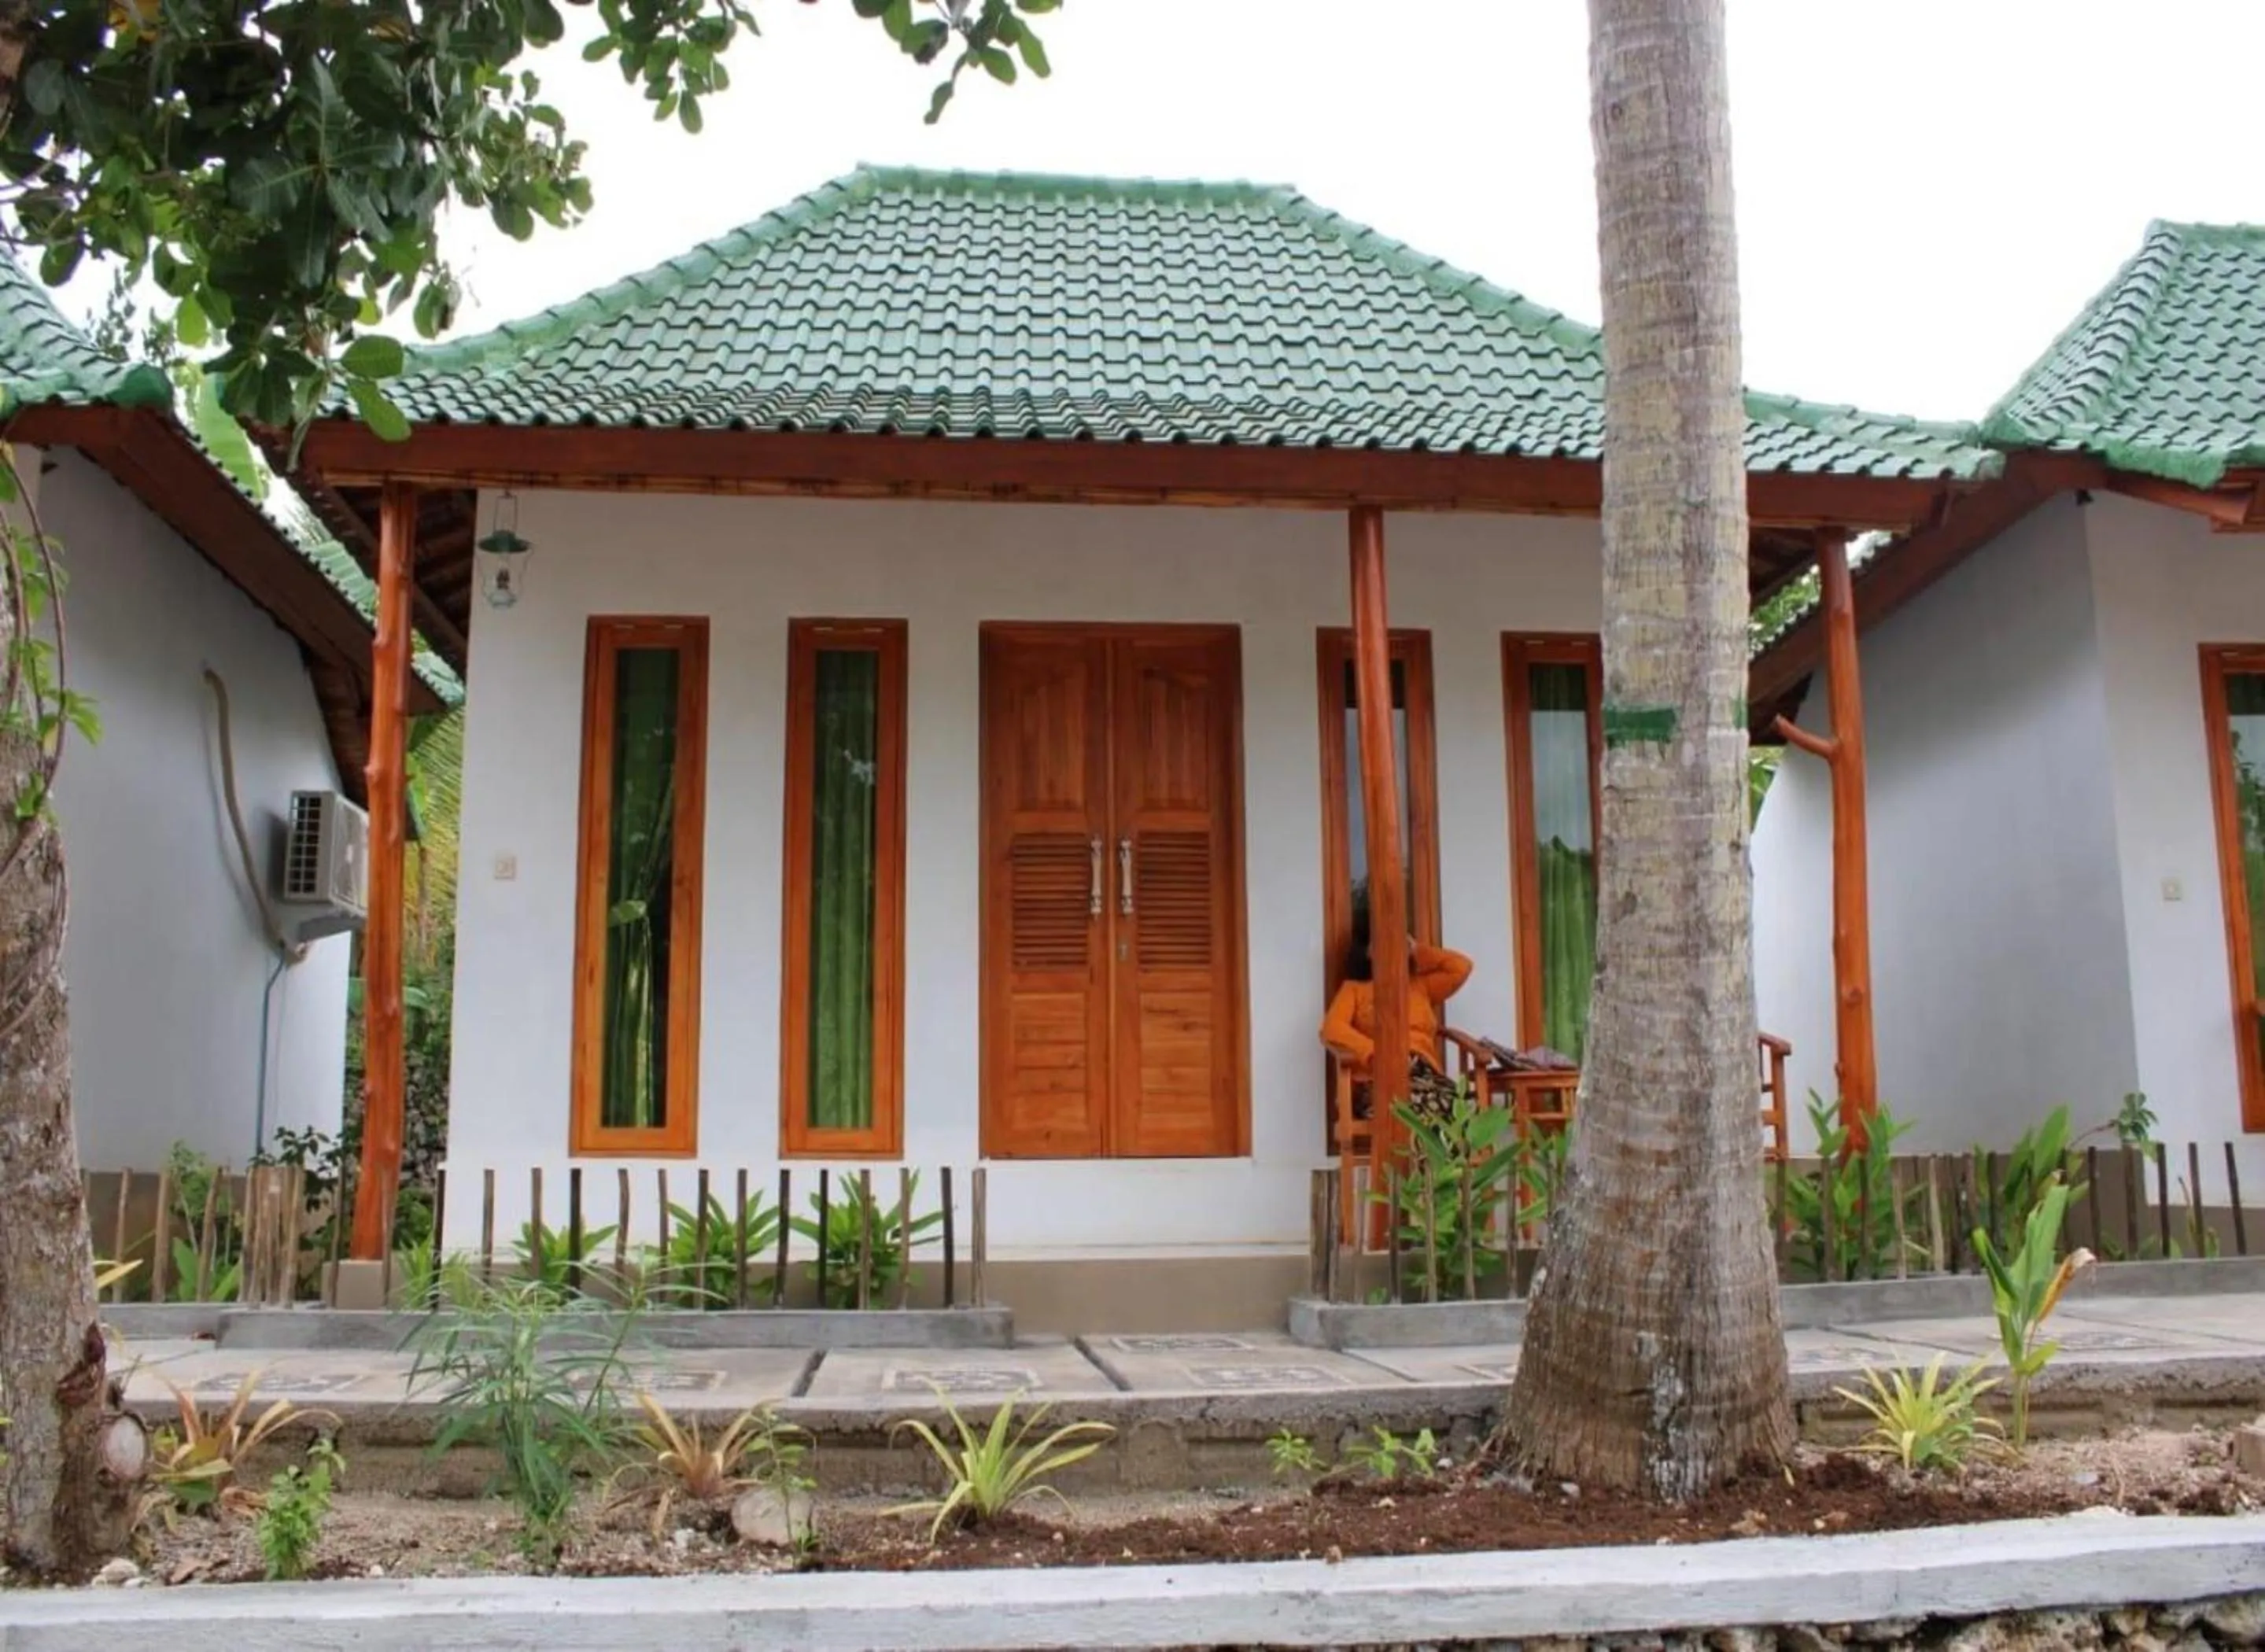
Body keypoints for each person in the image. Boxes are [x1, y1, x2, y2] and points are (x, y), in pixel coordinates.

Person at [1319, 906, 1473, 1082]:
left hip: (1423, 1072)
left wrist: (1417, 949)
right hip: (1376, 1076)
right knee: (1411, 1103)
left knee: (1454, 1105)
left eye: (1398, 943)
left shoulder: (1420, 985)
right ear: (1369, 951)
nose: (1392, 950)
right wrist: (1374, 1051)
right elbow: (1332, 1028)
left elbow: (1461, 967)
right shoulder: (1354, 989)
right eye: (1384, 943)